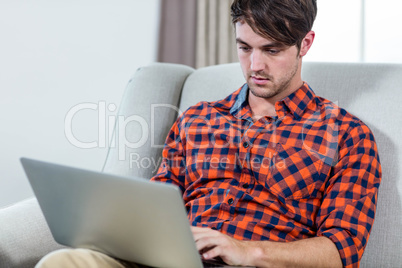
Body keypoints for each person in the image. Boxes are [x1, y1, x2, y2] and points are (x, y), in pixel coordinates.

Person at [36, 0, 381, 267]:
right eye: (245, 48)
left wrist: (246, 251)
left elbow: (341, 252)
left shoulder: (347, 134)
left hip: (256, 263)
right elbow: (154, 208)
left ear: (305, 44)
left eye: (271, 50)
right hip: (171, 260)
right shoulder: (197, 120)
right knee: (64, 261)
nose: (255, 66)